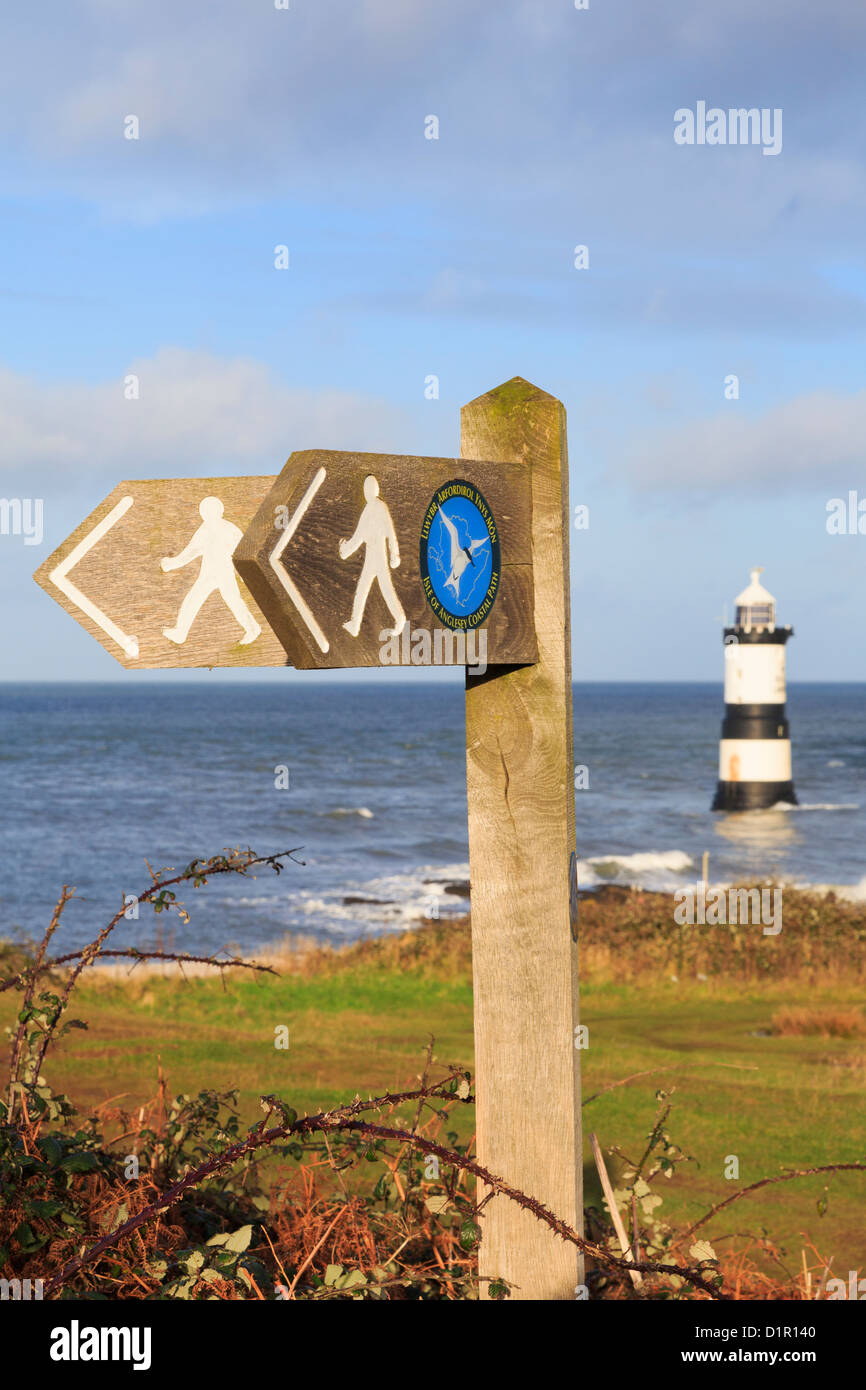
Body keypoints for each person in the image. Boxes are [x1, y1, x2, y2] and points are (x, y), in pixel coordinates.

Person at [160, 497, 261, 645]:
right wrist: (171, 564)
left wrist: (170, 564)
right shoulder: (225, 528)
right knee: (206, 599)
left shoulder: (210, 529)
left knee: (212, 599)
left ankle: (252, 628)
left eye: (207, 511)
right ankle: (181, 632)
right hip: (214, 573)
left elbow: (191, 552)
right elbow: (242, 552)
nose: (207, 515)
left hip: (220, 573)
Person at [339, 475, 406, 637]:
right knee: (362, 589)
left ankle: (400, 619)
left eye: (369, 489)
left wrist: (394, 554)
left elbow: (390, 532)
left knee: (386, 590)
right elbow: (358, 537)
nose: (366, 492)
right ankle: (355, 624)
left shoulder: (380, 507)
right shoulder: (367, 510)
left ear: (374, 490)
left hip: (380, 557)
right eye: (365, 489)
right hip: (371, 557)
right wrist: (344, 551)